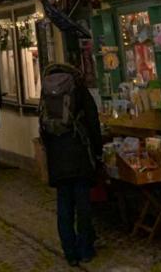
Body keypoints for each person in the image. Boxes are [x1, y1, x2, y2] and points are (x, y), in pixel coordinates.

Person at [39, 63, 102, 268]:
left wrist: (50, 152)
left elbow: (42, 127)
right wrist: (97, 151)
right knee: (83, 206)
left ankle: (70, 252)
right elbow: (93, 121)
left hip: (57, 158)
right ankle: (85, 249)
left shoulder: (46, 92)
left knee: (64, 206)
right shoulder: (79, 88)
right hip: (79, 154)